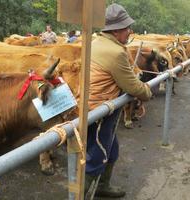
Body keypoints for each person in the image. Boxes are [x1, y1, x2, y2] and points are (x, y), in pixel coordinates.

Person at [84, 3, 152, 198]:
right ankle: (80, 194)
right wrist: (147, 92)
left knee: (111, 149)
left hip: (94, 108)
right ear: (115, 31)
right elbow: (134, 87)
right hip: (100, 112)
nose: (130, 30)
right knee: (96, 157)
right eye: (126, 27)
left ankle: (102, 186)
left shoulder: (96, 42)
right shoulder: (116, 52)